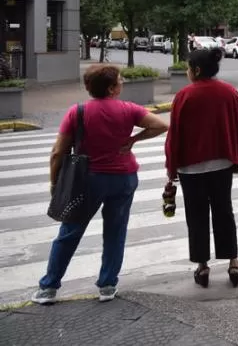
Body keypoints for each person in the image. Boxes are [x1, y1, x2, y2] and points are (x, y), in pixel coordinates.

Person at [33, 65, 169, 305]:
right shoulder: (129, 109)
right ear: (111, 88)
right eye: (120, 81)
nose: (122, 83)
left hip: (87, 181)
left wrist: (55, 184)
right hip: (123, 179)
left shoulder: (78, 112)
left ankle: (49, 288)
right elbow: (160, 125)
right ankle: (107, 285)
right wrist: (133, 139)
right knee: (116, 232)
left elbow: (57, 153)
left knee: (69, 232)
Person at [165, 48, 238, 288]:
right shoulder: (230, 92)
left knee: (197, 216)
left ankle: (202, 267)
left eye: (188, 68)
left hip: (191, 169)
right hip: (222, 165)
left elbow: (175, 136)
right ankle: (233, 262)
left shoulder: (184, 96)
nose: (187, 72)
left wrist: (171, 168)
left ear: (197, 70)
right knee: (224, 212)